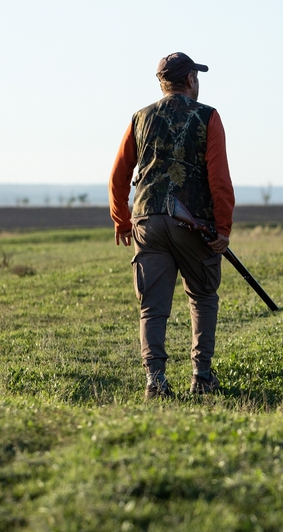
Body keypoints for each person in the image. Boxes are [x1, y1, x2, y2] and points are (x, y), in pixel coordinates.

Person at [109, 52, 235, 399]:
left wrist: (122, 219)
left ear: (162, 82)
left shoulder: (140, 118)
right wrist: (222, 228)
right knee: (203, 296)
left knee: (153, 305)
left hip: (147, 220)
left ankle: (156, 382)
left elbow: (119, 175)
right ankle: (202, 376)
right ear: (191, 80)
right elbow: (219, 177)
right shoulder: (207, 116)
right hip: (193, 223)